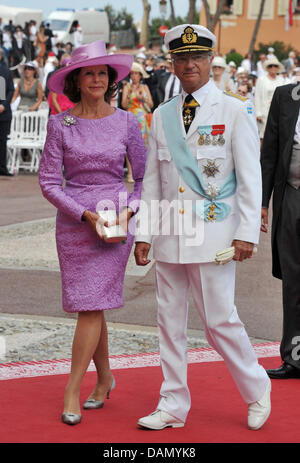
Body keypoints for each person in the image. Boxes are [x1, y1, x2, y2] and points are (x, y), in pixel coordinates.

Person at [134, 24, 271, 431]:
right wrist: (144, 232)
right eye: (181, 58)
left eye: (197, 57)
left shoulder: (234, 109)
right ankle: (173, 404)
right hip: (172, 237)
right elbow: (153, 182)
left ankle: (256, 387)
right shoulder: (162, 115)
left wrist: (246, 231)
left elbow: (250, 176)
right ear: (172, 63)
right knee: (169, 321)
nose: (189, 64)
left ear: (210, 60)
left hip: (214, 236)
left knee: (219, 321)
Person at [38, 40, 146, 426]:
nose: (98, 78)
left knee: (91, 304)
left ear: (110, 79)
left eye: (103, 73)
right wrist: (84, 215)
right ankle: (104, 378)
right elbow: (49, 182)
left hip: (116, 223)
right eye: (90, 73)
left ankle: (72, 389)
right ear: (77, 81)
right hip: (76, 223)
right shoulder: (59, 124)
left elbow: (144, 179)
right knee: (91, 304)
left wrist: (129, 213)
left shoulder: (128, 122)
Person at [260, 82, 300, 379]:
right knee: (293, 279)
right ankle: (295, 358)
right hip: (291, 195)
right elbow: (270, 153)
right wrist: (262, 203)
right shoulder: (285, 96)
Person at [122, 61, 153, 182]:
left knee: (144, 146)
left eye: (137, 74)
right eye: (132, 74)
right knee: (130, 145)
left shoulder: (145, 87)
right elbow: (124, 104)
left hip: (143, 120)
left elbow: (151, 104)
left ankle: (142, 172)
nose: (134, 76)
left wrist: (143, 99)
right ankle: (130, 173)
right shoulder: (127, 87)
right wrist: (130, 95)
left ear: (140, 75)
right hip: (131, 118)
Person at [254, 56, 285, 141]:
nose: (273, 68)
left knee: (277, 137)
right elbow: (257, 97)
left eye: (275, 65)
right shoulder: (261, 79)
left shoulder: (282, 80)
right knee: (263, 137)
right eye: (270, 66)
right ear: (267, 67)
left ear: (278, 67)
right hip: (265, 112)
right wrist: (258, 113)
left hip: (278, 112)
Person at [0, 48, 15, 176]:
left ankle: (2, 168)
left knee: (2, 141)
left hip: (3, 113)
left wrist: (3, 105)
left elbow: (11, 90)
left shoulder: (6, 72)